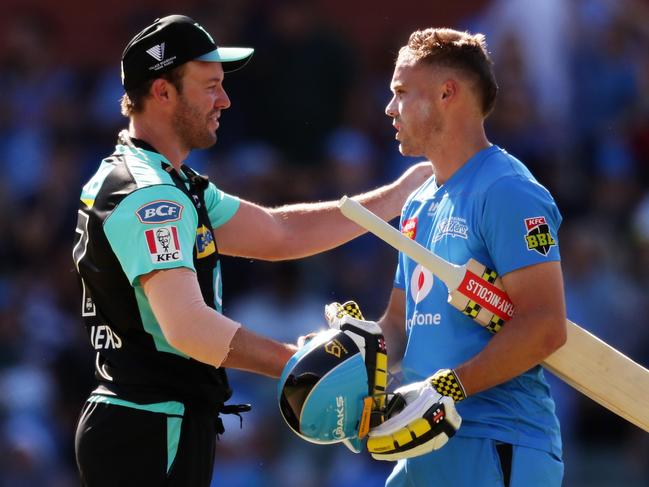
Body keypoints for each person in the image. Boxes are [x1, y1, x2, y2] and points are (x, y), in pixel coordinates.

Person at [71, 14, 431, 487]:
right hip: (150, 427)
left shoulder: (164, 181)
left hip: (151, 421)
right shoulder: (150, 194)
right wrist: (302, 366)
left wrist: (393, 198)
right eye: (210, 86)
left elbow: (279, 232)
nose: (225, 100)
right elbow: (190, 328)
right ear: (162, 91)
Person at [364, 28, 567, 486]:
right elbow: (399, 324)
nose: (389, 108)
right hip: (420, 448)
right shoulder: (417, 202)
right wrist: (357, 355)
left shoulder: (507, 189)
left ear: (446, 93)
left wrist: (447, 388)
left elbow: (544, 326)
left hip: (498, 441)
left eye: (400, 92)